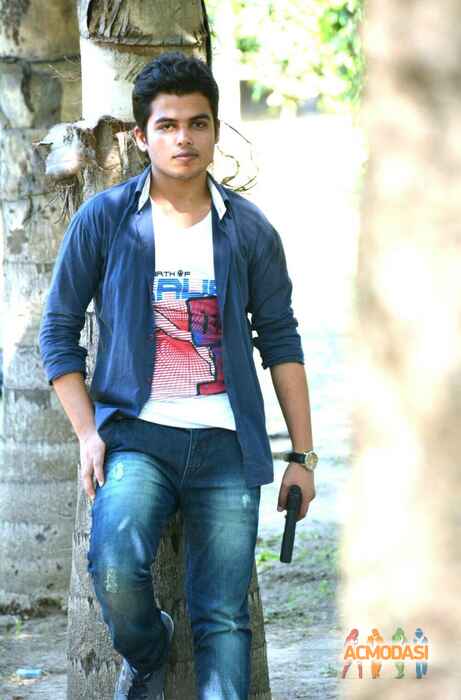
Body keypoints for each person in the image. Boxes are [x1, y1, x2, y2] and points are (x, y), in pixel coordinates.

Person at [39, 51, 317, 700]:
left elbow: (281, 341)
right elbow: (57, 334)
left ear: (216, 131)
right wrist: (88, 434)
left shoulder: (248, 231)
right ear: (142, 137)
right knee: (115, 567)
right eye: (167, 125)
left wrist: (302, 457)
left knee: (224, 617)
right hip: (136, 437)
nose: (183, 138)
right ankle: (148, 652)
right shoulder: (106, 220)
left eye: (197, 123)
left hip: (226, 445)